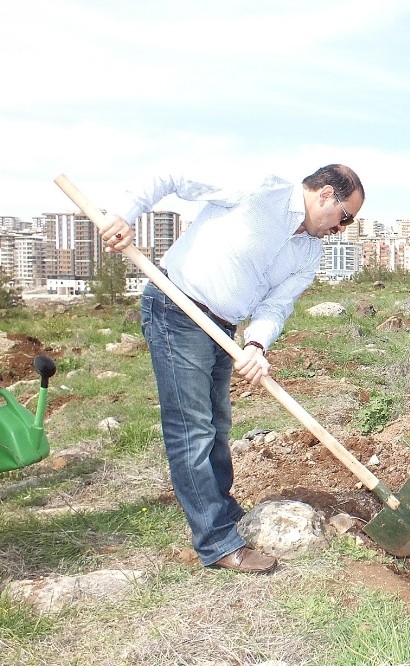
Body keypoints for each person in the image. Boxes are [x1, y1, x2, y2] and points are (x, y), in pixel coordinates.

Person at [100, 165, 364, 574]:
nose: (342, 229)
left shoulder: (309, 252)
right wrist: (123, 213)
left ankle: (222, 511)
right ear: (327, 195)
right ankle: (217, 541)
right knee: (193, 429)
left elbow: (276, 305)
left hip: (223, 328)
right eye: (345, 217)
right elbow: (171, 174)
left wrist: (257, 344)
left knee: (217, 425)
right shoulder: (261, 188)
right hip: (177, 308)